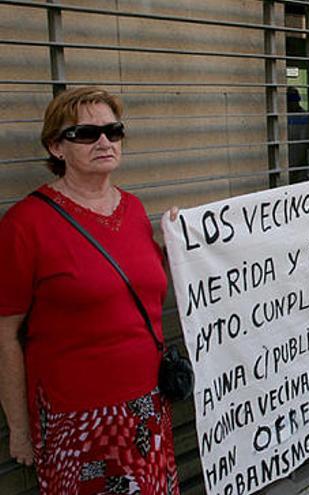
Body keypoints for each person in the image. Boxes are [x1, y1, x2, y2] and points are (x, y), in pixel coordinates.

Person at [0, 87, 179, 493]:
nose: (104, 142)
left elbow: (133, 294)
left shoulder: (133, 209)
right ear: (55, 147)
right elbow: (5, 334)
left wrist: (177, 252)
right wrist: (19, 430)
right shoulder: (25, 224)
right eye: (85, 133)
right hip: (78, 422)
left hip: (149, 407)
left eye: (113, 131)